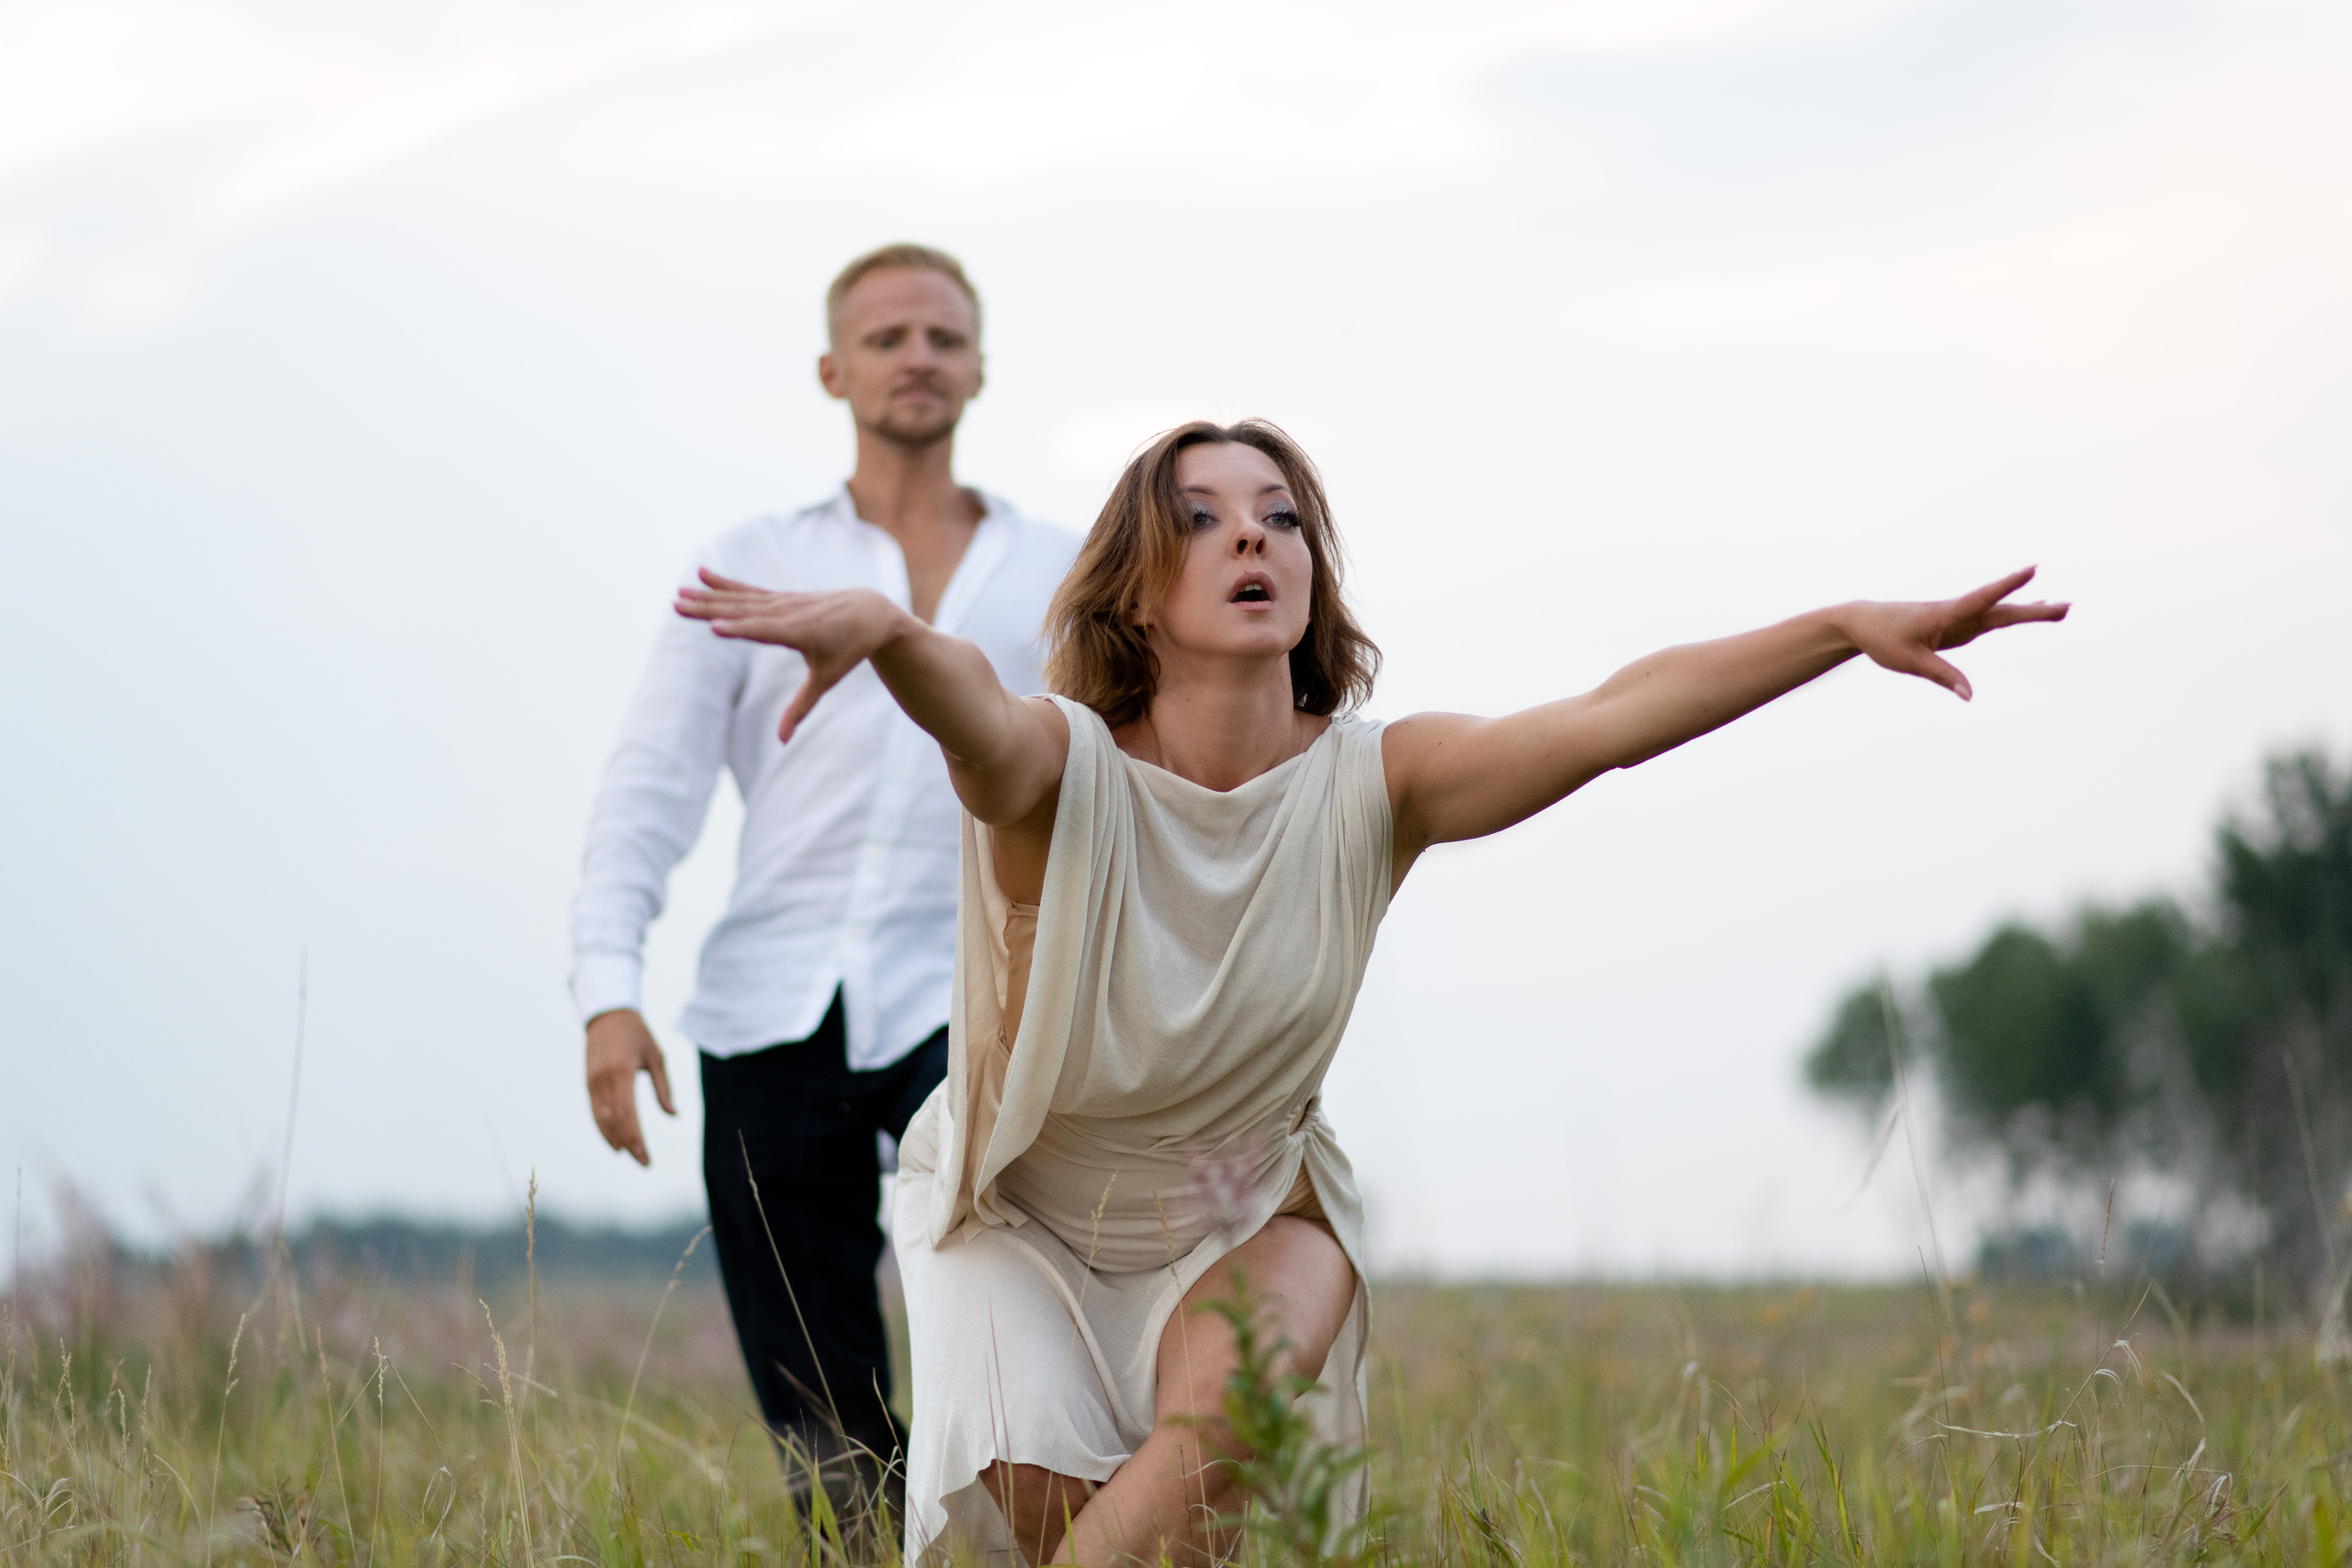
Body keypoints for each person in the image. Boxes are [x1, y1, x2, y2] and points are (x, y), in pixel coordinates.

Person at [673, 418, 2069, 1565]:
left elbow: (1607, 720)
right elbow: (974, 712)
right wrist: (893, 635)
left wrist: (1836, 627)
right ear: (1136, 587)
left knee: (1203, 1466)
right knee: (1063, 1536)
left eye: (1280, 518)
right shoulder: (1063, 774)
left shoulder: (1377, 785)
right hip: (1024, 1209)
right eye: (1206, 518)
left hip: (1252, 1211)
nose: (1251, 539)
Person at [569, 243, 1079, 1512]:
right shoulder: (750, 562)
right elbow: (651, 785)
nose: (919, 357)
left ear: (980, 370)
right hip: (766, 1010)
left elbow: (1118, 779)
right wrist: (605, 990)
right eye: (892, 337)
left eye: (944, 339)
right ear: (833, 369)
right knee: (821, 1414)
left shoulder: (1061, 571)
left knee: (1010, 1330)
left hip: (981, 998)